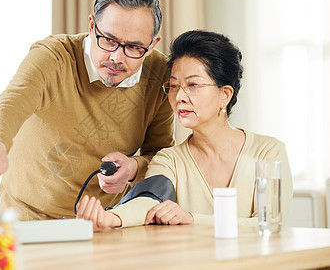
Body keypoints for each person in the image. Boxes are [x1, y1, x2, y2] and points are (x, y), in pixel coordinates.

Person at [0, 0, 175, 220]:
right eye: (108, 40)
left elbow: (160, 153)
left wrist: (133, 168)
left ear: (152, 45)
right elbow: (11, 103)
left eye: (134, 47)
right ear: (91, 26)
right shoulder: (53, 57)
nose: (116, 57)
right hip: (29, 216)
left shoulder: (160, 74)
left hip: (104, 219)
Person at [75, 30, 293, 231]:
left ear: (224, 94)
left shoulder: (268, 153)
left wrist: (191, 218)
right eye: (174, 86)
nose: (179, 97)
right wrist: (111, 218)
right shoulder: (169, 159)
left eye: (193, 85)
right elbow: (148, 200)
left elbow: (271, 223)